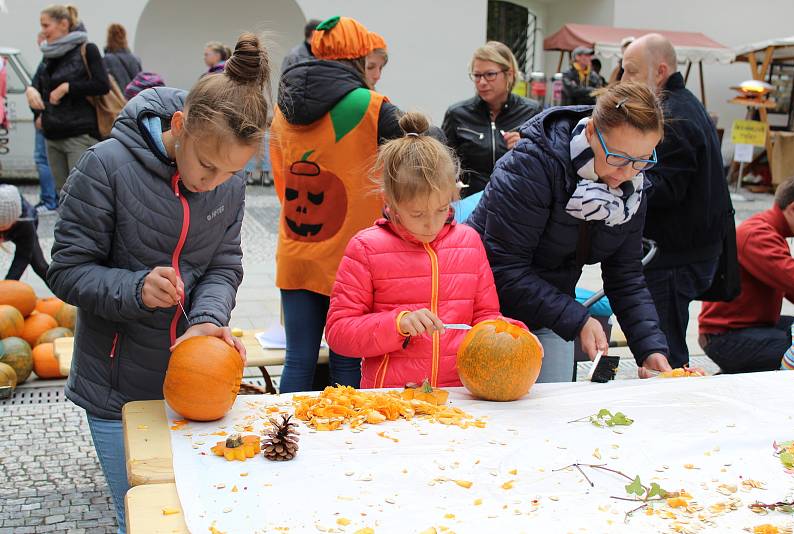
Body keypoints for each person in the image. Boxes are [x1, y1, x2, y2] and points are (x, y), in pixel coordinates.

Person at [48, 33, 270, 533]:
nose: (214, 182)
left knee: (201, 517)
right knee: (148, 521)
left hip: (198, 392)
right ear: (178, 125)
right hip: (117, 392)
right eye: (208, 165)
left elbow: (224, 265)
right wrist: (134, 288)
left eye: (231, 172)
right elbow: (65, 269)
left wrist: (208, 320)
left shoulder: (226, 186)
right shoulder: (106, 167)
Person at [467, 82, 673, 382]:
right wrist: (577, 319)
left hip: (548, 311)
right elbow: (503, 267)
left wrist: (649, 347)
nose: (626, 172)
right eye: (617, 156)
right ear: (591, 132)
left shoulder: (632, 190)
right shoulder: (532, 165)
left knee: (553, 409)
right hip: (482, 313)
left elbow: (625, 275)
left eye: (642, 160)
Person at [326, 112, 524, 388]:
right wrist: (397, 323)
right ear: (391, 202)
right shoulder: (366, 248)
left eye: (442, 209)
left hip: (460, 395)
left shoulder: (469, 241)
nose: (431, 223)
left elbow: (485, 318)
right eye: (417, 214)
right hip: (391, 399)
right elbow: (338, 333)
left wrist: (511, 335)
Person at [271, 15, 406, 393]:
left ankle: (287, 438)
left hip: (296, 250)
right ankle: (342, 445)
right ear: (359, 56)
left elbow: (282, 181)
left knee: (298, 357)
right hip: (351, 255)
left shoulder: (283, 107)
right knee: (347, 357)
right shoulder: (373, 107)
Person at [622, 34, 731, 368]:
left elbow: (666, 187)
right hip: (685, 252)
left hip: (674, 256)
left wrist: (620, 175)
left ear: (660, 71)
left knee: (663, 352)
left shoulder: (673, 114)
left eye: (631, 71)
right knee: (663, 344)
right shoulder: (679, 104)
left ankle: (671, 406)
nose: (624, 81)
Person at [698, 176, 794, 374]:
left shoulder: (770, 231)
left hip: (752, 327)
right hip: (728, 337)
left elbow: (793, 292)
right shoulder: (758, 234)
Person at [26, 4, 110, 196]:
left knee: (81, 193)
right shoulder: (48, 55)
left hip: (79, 135)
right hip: (52, 134)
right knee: (62, 195)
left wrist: (68, 88)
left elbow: (102, 85)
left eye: (46, 25)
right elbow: (39, 87)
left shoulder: (87, 49)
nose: (43, 31)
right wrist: (32, 97)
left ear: (63, 24)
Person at [442, 41, 542, 198]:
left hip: (516, 203)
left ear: (509, 74)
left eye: (489, 74)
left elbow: (546, 165)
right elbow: (443, 165)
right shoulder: (457, 114)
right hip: (470, 205)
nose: (482, 82)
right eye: (477, 76)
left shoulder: (532, 112)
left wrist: (527, 147)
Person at [29, 32, 58, 212]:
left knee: (43, 159)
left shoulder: (48, 61)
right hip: (50, 116)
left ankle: (49, 201)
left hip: (46, 117)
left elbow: (41, 89)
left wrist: (40, 113)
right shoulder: (51, 60)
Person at [0, 184, 49, 283]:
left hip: (22, 228)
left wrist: (8, 285)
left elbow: (22, 257)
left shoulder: (26, 221)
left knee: (39, 265)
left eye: (3, 228)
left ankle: (68, 295)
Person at [103, 23, 141, 90]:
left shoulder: (107, 59)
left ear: (109, 37)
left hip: (118, 99)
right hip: (134, 98)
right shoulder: (135, 59)